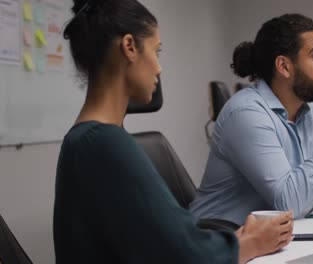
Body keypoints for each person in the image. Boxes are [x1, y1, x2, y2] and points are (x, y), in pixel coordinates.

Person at [53, 0, 293, 263]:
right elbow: (185, 256)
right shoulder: (104, 144)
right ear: (130, 47)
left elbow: (159, 241)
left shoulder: (83, 140)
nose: (159, 67)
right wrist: (256, 242)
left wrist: (236, 240)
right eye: (157, 51)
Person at [190, 14, 313, 226]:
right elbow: (289, 203)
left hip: (268, 242)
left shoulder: (312, 113)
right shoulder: (246, 114)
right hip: (218, 242)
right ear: (284, 66)